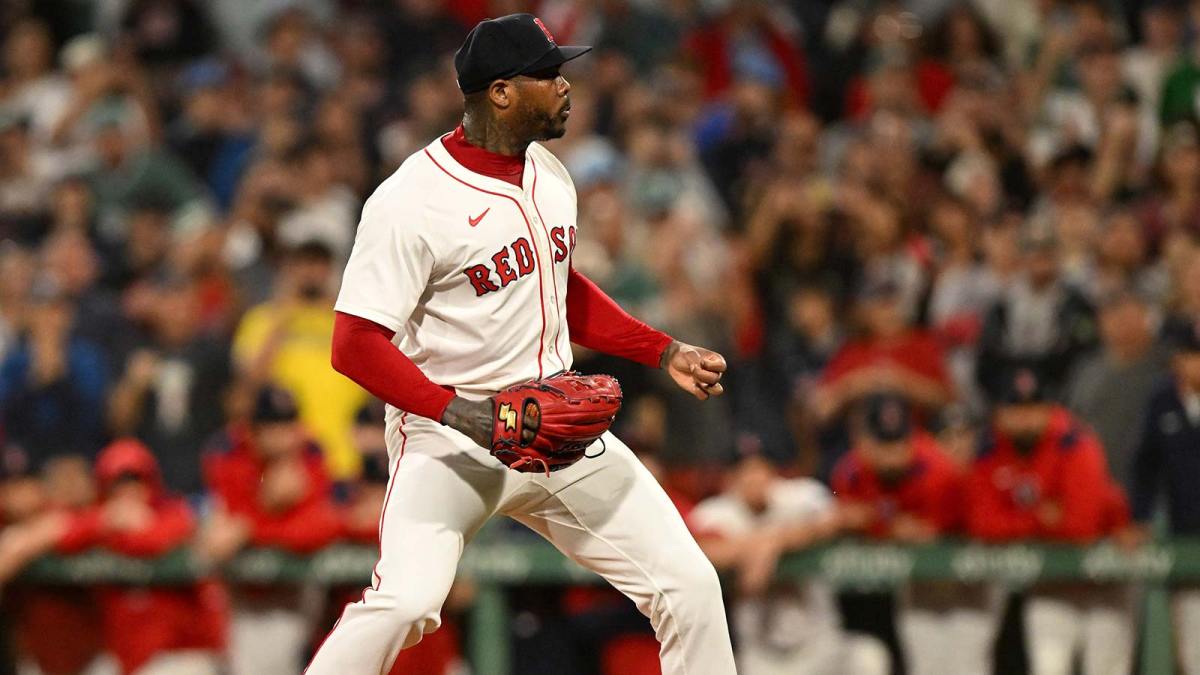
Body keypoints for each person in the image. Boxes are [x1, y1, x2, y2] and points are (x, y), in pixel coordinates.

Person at [306, 14, 735, 674]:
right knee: (404, 602)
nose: (566, 87)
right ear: (501, 92)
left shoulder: (548, 173)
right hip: (447, 436)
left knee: (691, 583)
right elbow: (354, 343)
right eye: (550, 76)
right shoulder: (411, 201)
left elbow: (561, 286)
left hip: (556, 424)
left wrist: (662, 350)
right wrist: (456, 411)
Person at [967, 366, 1133, 675]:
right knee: (1048, 667)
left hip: (1103, 578)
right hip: (1049, 583)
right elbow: (983, 525)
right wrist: (1041, 517)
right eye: (1015, 410)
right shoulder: (990, 448)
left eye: (1033, 409)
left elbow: (1080, 527)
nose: (1025, 419)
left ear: (1049, 409)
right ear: (998, 414)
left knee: (1107, 669)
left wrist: (1019, 521)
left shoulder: (1075, 442)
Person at [832, 392, 995, 675]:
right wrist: (888, 526)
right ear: (865, 443)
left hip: (971, 576)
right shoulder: (851, 471)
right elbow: (847, 519)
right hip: (920, 581)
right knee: (925, 666)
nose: (893, 455)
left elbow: (930, 532)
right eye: (884, 445)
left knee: (969, 666)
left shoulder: (938, 469)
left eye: (899, 444)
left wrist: (877, 523)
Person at [691, 450, 890, 675]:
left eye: (759, 470)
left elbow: (845, 517)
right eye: (744, 472)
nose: (753, 479)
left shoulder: (801, 495)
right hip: (763, 657)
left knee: (869, 656)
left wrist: (775, 544)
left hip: (821, 647)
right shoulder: (715, 512)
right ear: (731, 479)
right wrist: (756, 548)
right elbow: (701, 549)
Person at [200, 385, 343, 675]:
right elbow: (217, 539)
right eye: (272, 428)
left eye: (289, 425)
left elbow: (320, 528)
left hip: (294, 593)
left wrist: (252, 525)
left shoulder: (311, 454)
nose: (284, 436)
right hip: (239, 594)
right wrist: (268, 507)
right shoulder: (228, 453)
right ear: (252, 431)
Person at [1126, 319, 1200, 675]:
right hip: (1185, 535)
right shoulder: (1163, 399)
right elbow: (1145, 466)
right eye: (1191, 355)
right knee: (1194, 652)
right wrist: (1139, 518)